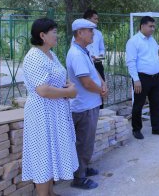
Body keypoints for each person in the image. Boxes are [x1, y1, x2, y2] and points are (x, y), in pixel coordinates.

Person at [22, 18, 78, 196]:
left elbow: (60, 76)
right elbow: (43, 90)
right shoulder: (33, 57)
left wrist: (69, 86)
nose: (57, 35)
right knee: (42, 155)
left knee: (50, 153)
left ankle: (51, 193)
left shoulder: (50, 54)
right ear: (42, 35)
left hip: (54, 112)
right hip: (41, 113)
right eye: (54, 32)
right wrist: (68, 93)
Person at [67, 18, 108, 190]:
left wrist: (102, 84)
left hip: (90, 103)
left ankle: (82, 168)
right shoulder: (76, 54)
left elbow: (93, 72)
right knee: (84, 142)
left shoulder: (83, 51)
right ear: (80, 33)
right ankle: (79, 177)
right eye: (90, 30)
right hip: (84, 106)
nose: (93, 34)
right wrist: (101, 90)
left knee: (87, 141)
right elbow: (85, 82)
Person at [126, 16, 159, 139]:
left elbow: (155, 57)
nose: (153, 29)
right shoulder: (133, 41)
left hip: (155, 77)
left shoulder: (152, 40)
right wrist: (136, 80)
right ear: (142, 26)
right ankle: (136, 129)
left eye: (154, 26)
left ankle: (156, 128)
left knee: (156, 103)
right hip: (141, 79)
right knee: (138, 105)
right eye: (150, 26)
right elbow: (131, 62)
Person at [83, 9, 106, 109]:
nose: (97, 21)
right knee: (88, 87)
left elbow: (102, 49)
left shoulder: (99, 33)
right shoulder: (79, 34)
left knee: (101, 87)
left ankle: (100, 111)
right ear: (88, 19)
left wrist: (98, 57)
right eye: (95, 19)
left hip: (97, 64)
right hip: (85, 65)